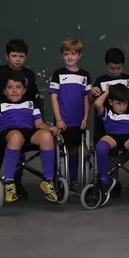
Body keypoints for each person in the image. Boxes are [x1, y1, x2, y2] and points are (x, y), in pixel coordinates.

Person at [0, 73, 61, 204]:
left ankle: (48, 180)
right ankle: (9, 182)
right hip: (8, 132)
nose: (14, 90)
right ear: (4, 91)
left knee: (46, 136)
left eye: (18, 87)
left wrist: (50, 128)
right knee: (16, 136)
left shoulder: (31, 103)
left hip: (28, 131)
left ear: (24, 90)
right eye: (10, 87)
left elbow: (39, 124)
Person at [49, 38, 91, 186]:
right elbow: (54, 98)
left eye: (73, 54)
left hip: (77, 121)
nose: (70, 57)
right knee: (57, 149)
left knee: (74, 150)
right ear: (62, 55)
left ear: (79, 55)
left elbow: (86, 99)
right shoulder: (58, 74)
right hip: (62, 121)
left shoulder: (85, 75)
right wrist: (59, 119)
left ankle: (73, 180)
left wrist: (85, 118)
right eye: (66, 54)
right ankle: (55, 179)